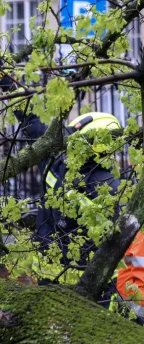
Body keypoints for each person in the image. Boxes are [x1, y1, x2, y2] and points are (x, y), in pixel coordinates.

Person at [34, 112, 122, 268]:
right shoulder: (111, 187)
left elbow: (34, 127)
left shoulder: (54, 166)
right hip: (75, 273)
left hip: (63, 271)